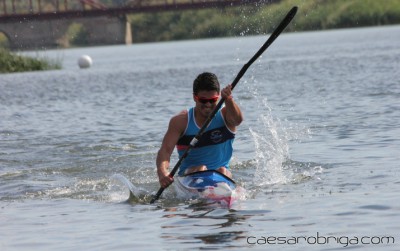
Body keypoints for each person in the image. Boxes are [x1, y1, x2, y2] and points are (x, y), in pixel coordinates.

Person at [156, 72, 243, 189]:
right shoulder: (181, 122)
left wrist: (228, 99)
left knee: (222, 170)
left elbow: (237, 121)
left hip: (221, 177)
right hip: (189, 177)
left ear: (218, 97)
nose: (208, 104)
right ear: (194, 97)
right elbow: (165, 151)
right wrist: (163, 173)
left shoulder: (226, 115)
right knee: (201, 168)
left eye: (212, 100)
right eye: (203, 100)